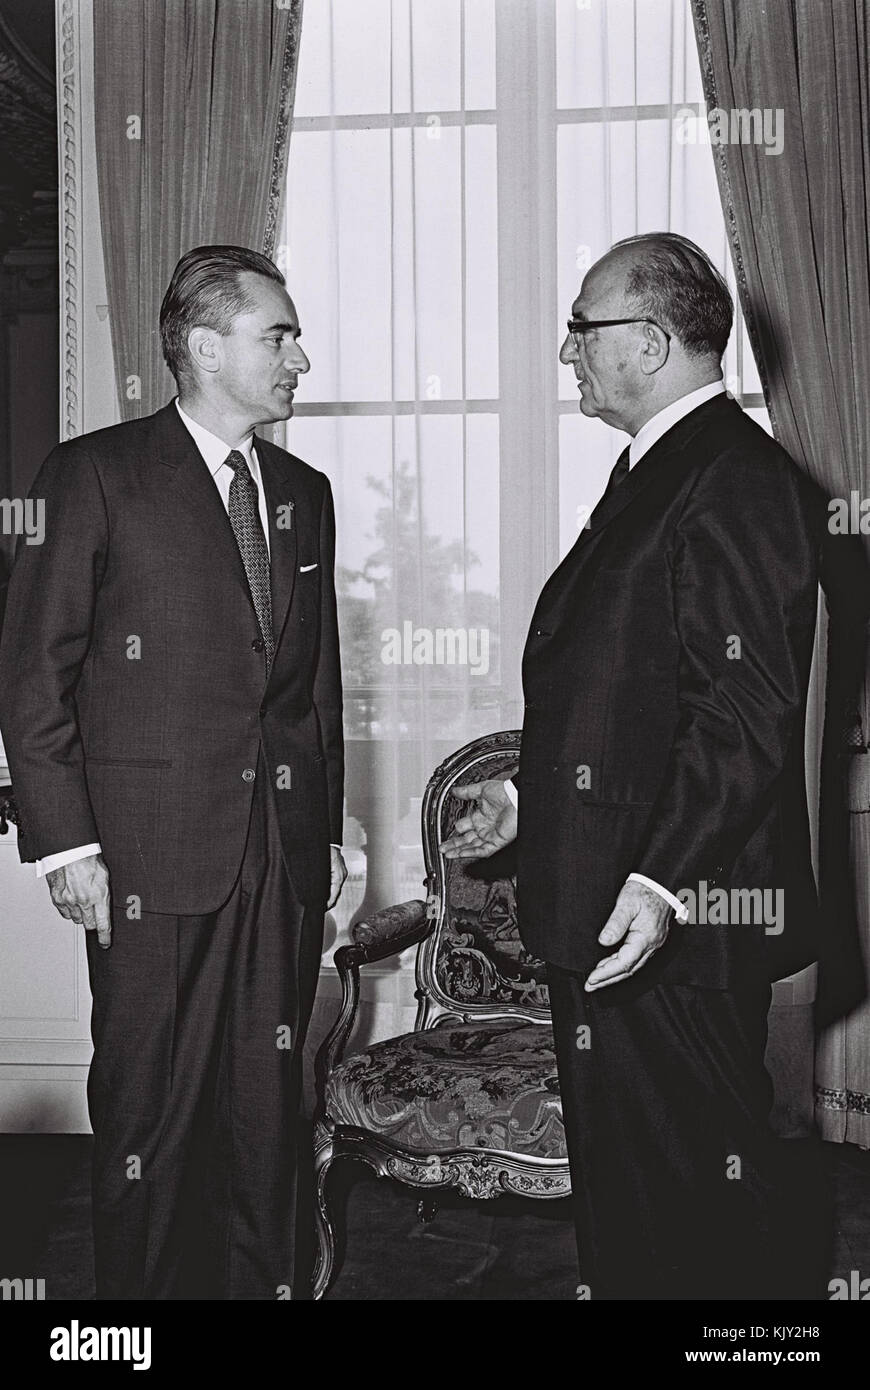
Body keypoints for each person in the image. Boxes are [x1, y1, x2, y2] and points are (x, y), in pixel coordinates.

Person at [441, 232, 833, 1300]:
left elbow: (746, 710)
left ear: (651, 342)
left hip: (674, 924)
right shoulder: (658, 470)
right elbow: (639, 702)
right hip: (622, 912)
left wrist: (658, 880)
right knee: (640, 1203)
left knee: (701, 1210)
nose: (567, 352)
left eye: (583, 329)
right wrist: (528, 800)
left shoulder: (735, 479)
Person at [0, 245, 346, 1300]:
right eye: (277, 335)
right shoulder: (92, 475)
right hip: (144, 858)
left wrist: (326, 834)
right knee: (151, 1115)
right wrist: (67, 842)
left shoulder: (304, 492)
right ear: (204, 345)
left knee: (263, 1116)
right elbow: (32, 675)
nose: (300, 358)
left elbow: (313, 688)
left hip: (276, 863)